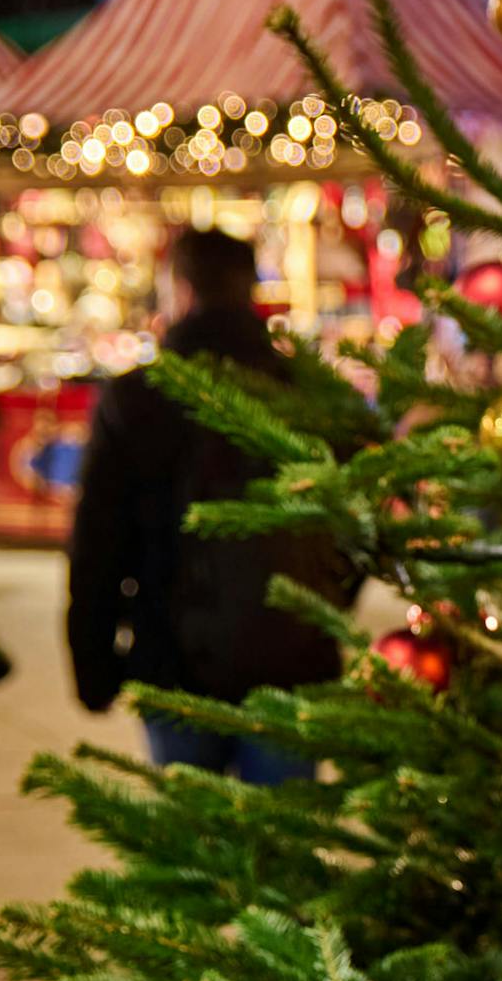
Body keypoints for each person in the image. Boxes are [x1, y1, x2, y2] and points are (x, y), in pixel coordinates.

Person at [66, 229, 346, 779]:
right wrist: (322, 606)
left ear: (181, 290)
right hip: (291, 660)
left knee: (193, 847)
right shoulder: (306, 395)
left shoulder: (137, 396)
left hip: (174, 660)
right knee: (281, 845)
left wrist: (94, 662)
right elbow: (352, 528)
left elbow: (98, 543)